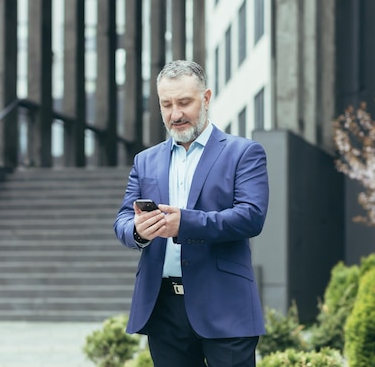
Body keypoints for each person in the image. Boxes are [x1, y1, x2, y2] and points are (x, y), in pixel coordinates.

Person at [113, 60, 269, 367]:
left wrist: (185, 223)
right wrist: (138, 231)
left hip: (225, 303)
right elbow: (122, 221)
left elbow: (251, 216)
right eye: (166, 104)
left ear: (207, 98)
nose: (176, 114)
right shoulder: (145, 161)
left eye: (185, 102)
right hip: (163, 307)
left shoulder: (244, 153)